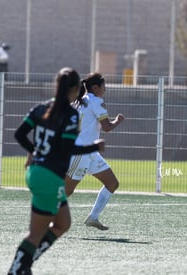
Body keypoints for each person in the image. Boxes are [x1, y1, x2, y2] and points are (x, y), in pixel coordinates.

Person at [8, 67, 105, 274]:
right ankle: (17, 269)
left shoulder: (41, 108)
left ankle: (25, 264)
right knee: (36, 233)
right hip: (48, 176)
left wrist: (34, 151)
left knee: (63, 223)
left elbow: (19, 134)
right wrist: (94, 147)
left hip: (38, 173)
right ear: (75, 89)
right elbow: (67, 149)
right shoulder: (70, 115)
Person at [65, 72, 124, 231]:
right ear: (95, 87)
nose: (105, 88)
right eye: (104, 85)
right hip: (81, 151)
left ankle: (93, 217)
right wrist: (118, 121)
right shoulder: (95, 101)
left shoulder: (81, 101)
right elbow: (107, 127)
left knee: (112, 183)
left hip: (90, 151)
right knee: (67, 190)